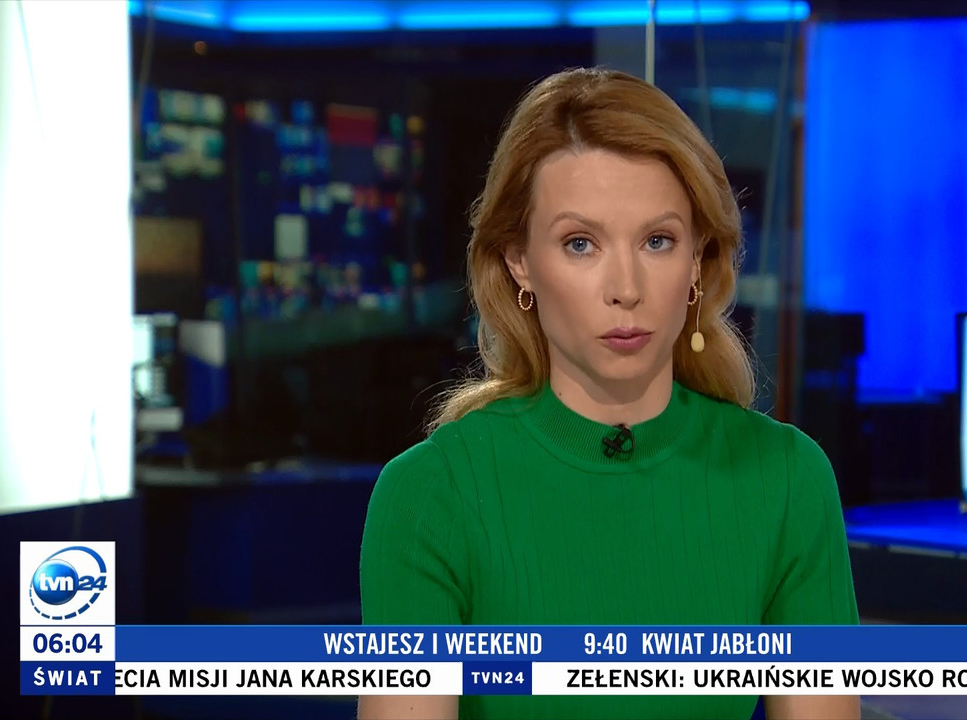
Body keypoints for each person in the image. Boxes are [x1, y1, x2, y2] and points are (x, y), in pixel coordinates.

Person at [359, 67, 859, 720]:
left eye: (658, 241)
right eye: (580, 244)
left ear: (697, 259)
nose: (625, 287)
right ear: (518, 260)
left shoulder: (787, 480)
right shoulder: (431, 495)